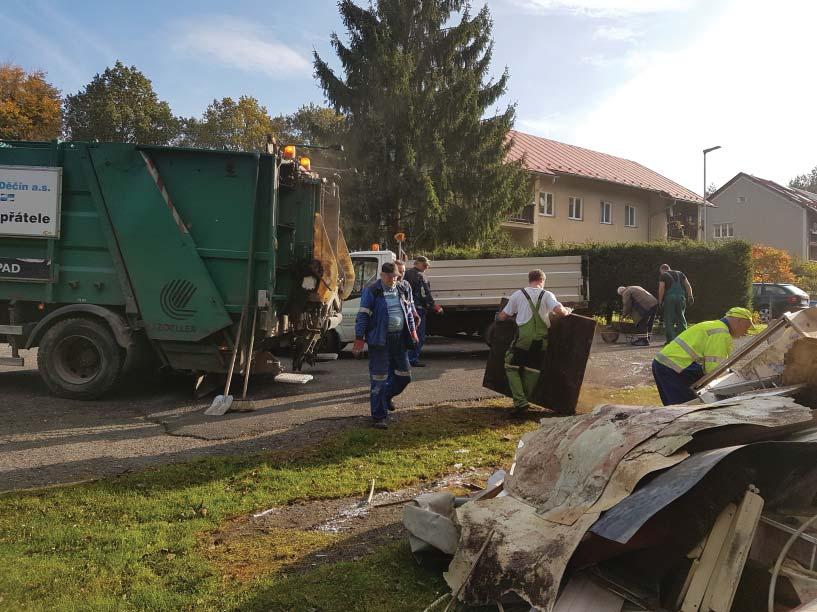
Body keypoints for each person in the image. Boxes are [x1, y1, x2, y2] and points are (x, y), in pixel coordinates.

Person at [353, 262, 419, 428]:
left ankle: (386, 397)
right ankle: (379, 417)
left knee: (405, 377)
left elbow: (409, 311)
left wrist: (412, 331)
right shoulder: (372, 290)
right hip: (380, 340)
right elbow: (363, 315)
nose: (393, 280)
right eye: (390, 277)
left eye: (395, 277)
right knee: (379, 379)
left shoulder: (403, 288)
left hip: (400, 339)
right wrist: (359, 338)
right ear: (382, 275)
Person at [497, 269, 572, 413]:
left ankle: (520, 402)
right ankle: (525, 399)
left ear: (530, 279)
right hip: (541, 340)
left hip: (523, 339)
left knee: (510, 367)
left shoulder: (517, 295)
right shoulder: (547, 295)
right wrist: (567, 311)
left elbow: (503, 316)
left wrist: (499, 317)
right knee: (532, 370)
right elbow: (560, 312)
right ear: (542, 280)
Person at [652, 306, 758, 405]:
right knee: (684, 408)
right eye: (746, 327)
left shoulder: (714, 325)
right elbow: (715, 369)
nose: (746, 332)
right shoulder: (721, 334)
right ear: (738, 321)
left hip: (664, 363)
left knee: (674, 406)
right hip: (673, 368)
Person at [403, 256, 443, 367]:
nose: (426, 268)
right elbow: (425, 293)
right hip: (418, 309)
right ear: (418, 263)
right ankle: (412, 359)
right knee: (418, 335)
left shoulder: (406, 274)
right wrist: (434, 305)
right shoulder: (420, 276)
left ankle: (406, 359)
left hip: (408, 308)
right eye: (425, 265)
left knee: (409, 334)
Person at [658, 263, 694, 344]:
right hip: (681, 298)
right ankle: (683, 340)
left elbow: (661, 287)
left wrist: (660, 301)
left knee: (669, 319)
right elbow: (688, 285)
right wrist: (690, 296)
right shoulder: (680, 274)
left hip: (670, 298)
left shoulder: (663, 275)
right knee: (681, 318)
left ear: (662, 270)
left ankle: (671, 341)